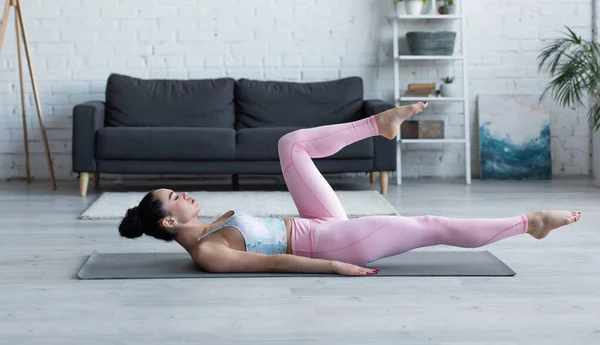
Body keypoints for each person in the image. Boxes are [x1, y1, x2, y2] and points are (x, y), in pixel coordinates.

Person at [119, 102, 581, 276]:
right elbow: (273, 261)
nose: (183, 194)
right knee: (428, 225)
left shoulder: (208, 225)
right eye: (175, 197)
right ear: (167, 220)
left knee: (290, 146)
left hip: (316, 223)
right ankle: (529, 223)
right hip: (328, 243)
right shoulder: (207, 253)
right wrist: (335, 269)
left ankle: (377, 125)